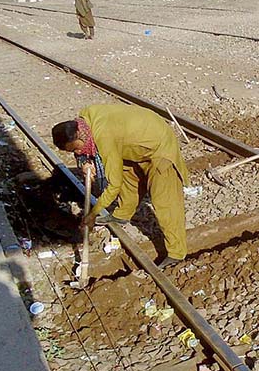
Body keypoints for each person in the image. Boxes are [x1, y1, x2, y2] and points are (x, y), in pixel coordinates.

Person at [52, 104, 189, 269]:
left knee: (165, 201)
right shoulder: (84, 120)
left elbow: (113, 186)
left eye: (76, 149)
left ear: (79, 137)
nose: (77, 153)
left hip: (160, 146)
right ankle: (122, 214)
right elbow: (84, 150)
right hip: (136, 144)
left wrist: (93, 213)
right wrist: (84, 160)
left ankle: (176, 253)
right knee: (127, 177)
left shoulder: (104, 137)